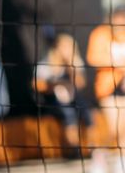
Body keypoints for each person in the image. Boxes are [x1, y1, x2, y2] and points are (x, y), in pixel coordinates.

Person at [86, 8, 125, 173]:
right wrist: (118, 64)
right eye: (117, 19)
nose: (121, 23)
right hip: (108, 87)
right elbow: (93, 58)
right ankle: (101, 155)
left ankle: (123, 165)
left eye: (124, 19)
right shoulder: (101, 34)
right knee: (114, 127)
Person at [34, 29, 93, 158]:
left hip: (73, 97)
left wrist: (71, 67)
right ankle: (74, 148)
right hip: (52, 100)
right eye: (64, 47)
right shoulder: (46, 63)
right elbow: (36, 85)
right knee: (68, 113)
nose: (67, 50)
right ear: (57, 47)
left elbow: (81, 84)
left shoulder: (76, 62)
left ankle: (91, 147)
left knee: (86, 111)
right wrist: (56, 84)